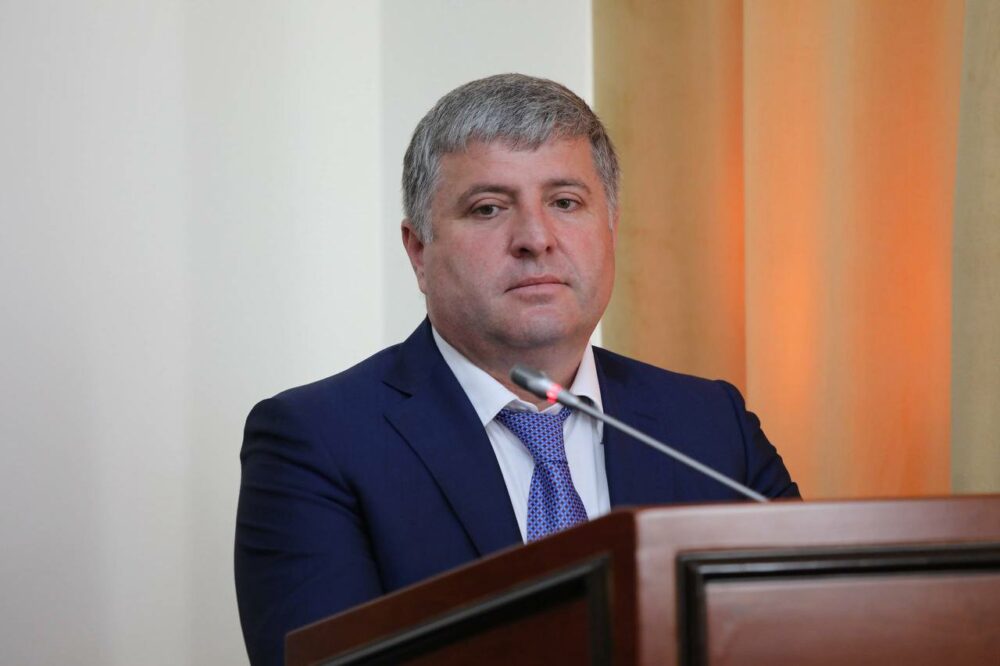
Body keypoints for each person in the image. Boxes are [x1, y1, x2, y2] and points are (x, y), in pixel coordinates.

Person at [234, 73, 799, 665]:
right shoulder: (317, 442)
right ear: (419, 251)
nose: (535, 238)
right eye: (488, 208)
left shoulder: (710, 426)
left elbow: (814, 628)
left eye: (565, 202)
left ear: (610, 229)